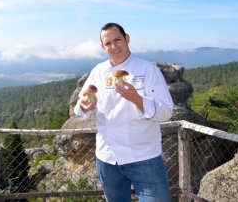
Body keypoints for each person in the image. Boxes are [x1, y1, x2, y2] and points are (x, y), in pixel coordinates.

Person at [74, 22, 174, 202]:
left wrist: (137, 99)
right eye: (108, 43)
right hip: (107, 159)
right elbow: (80, 106)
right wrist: (85, 107)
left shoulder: (148, 70)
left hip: (144, 157)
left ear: (127, 38)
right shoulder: (99, 71)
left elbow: (166, 111)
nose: (114, 47)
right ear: (102, 47)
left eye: (117, 40)